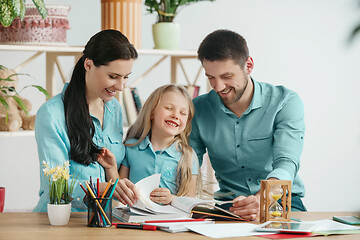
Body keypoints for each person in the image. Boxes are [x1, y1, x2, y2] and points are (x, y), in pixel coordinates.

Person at [189, 29, 306, 220]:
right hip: (230, 207)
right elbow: (189, 164)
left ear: (248, 65)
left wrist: (264, 199)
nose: (218, 87)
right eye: (211, 77)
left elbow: (287, 162)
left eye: (226, 76)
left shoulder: (285, 102)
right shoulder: (198, 109)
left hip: (282, 200)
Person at [33, 29, 138, 212]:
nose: (121, 87)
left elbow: (114, 172)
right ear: (88, 64)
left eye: (125, 77)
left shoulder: (114, 109)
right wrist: (101, 189)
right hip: (62, 221)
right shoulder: (52, 114)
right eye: (113, 77)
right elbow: (54, 186)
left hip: (102, 220)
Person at [97, 84, 199, 206]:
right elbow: (121, 192)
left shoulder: (187, 155)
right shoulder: (131, 147)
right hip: (136, 220)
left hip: (170, 222)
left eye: (183, 113)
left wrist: (172, 199)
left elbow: (190, 202)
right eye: (169, 108)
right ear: (152, 112)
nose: (176, 115)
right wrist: (111, 168)